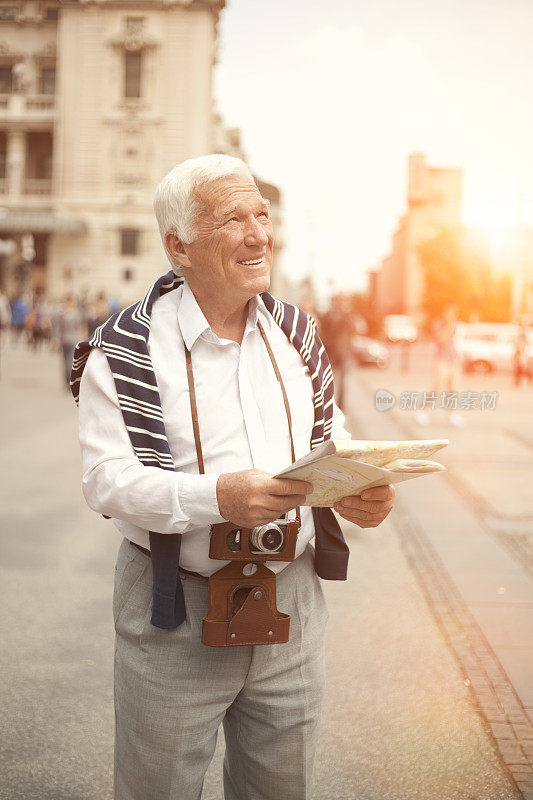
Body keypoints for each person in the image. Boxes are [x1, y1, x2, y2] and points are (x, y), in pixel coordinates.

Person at [72, 154, 395, 800]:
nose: (257, 235)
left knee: (280, 789)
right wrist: (214, 498)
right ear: (179, 245)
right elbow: (105, 481)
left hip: (291, 607)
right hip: (174, 615)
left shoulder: (297, 332)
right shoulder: (122, 348)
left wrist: (357, 480)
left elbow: (324, 433)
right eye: (233, 220)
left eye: (261, 217)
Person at [51, 295, 86, 388]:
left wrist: (82, 339)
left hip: (73, 340)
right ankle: (66, 381)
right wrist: (56, 339)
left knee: (70, 362)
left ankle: (71, 381)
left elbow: (81, 327)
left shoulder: (77, 314)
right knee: (64, 361)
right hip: (63, 340)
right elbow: (57, 328)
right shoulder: (61, 314)